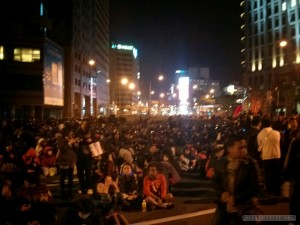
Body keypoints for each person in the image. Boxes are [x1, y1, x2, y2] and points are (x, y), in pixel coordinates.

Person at [211, 134, 261, 225]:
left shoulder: (250, 163)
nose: (244, 150)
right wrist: (222, 194)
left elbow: (257, 186)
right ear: (229, 149)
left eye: (245, 147)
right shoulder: (221, 162)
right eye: (240, 148)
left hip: (245, 204)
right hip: (224, 205)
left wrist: (236, 198)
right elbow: (215, 181)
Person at [257, 116, 281, 197]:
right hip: (276, 155)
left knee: (267, 175)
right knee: (276, 174)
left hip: (266, 157)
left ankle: (268, 191)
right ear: (271, 123)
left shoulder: (259, 135)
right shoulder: (277, 133)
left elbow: (259, 147)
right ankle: (277, 191)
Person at [284, 129, 300, 225]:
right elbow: (290, 159)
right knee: (294, 199)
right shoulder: (295, 143)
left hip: (295, 175)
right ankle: (293, 219)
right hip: (296, 176)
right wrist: (287, 176)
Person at [55, 132, 77, 199]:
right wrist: (70, 143)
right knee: (63, 177)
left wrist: (76, 144)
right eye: (69, 135)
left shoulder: (70, 140)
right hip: (64, 160)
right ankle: (63, 193)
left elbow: (73, 149)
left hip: (71, 160)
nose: (71, 136)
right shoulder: (61, 140)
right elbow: (62, 149)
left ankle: (70, 192)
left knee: (71, 177)